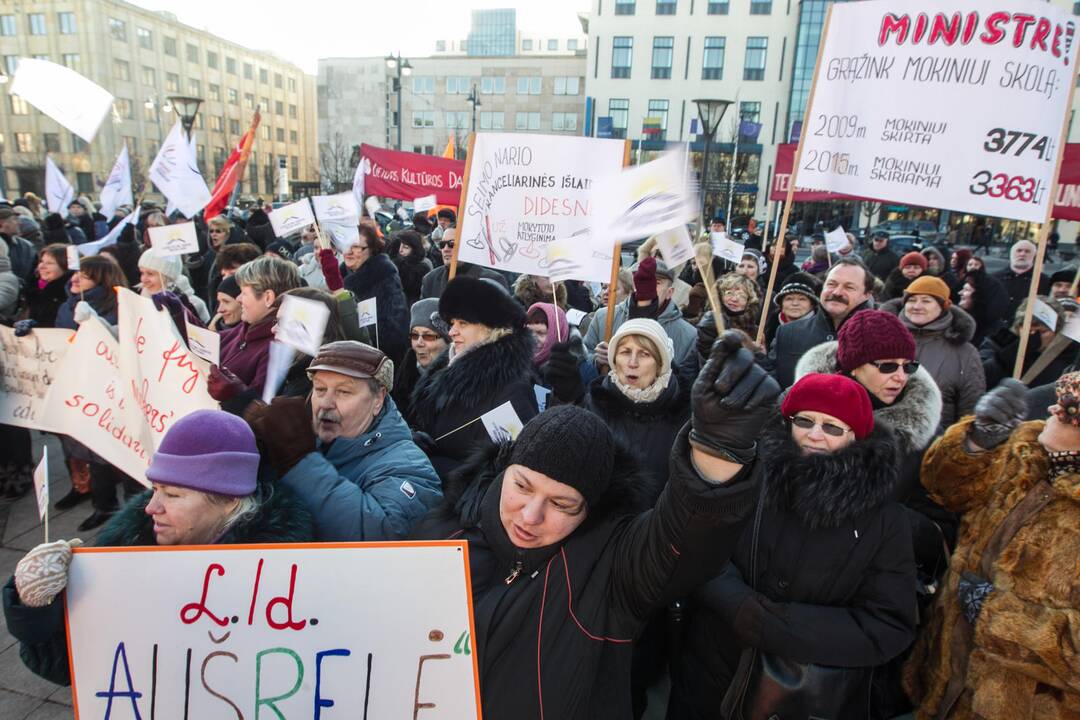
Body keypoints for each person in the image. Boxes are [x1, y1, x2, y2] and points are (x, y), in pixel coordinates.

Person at [408, 334, 776, 719]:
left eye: (562, 504)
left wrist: (718, 450)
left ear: (590, 510)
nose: (530, 516)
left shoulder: (608, 568)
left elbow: (684, 540)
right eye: (522, 486)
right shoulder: (443, 529)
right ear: (504, 468)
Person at [2, 410, 315, 686]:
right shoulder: (126, 547)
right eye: (154, 489)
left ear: (230, 500)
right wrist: (34, 607)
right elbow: (67, 669)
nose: (151, 507)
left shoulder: (286, 576)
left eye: (173, 495)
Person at [669, 373, 916, 720]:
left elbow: (889, 623)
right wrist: (738, 605)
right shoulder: (749, 475)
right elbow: (701, 542)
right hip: (712, 667)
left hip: (800, 696)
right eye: (805, 421)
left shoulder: (885, 520)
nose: (815, 434)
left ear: (856, 436)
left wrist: (780, 626)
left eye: (832, 427)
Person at [903, 376, 1080, 720]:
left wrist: (995, 614)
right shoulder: (1027, 449)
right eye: (1062, 398)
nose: (1053, 408)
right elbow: (943, 489)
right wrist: (977, 443)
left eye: (1072, 410)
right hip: (941, 686)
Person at [245, 341, 442, 541]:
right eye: (320, 389)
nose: (326, 403)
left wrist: (300, 463)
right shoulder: (305, 439)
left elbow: (382, 533)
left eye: (343, 392)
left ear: (378, 399)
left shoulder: (410, 466)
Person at [408, 276, 539, 478]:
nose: (451, 331)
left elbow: (507, 471)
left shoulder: (512, 388)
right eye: (452, 322)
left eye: (463, 323)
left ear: (491, 327)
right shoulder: (447, 366)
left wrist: (436, 464)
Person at [882, 276, 986, 429]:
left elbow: (970, 407)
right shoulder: (881, 338)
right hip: (881, 437)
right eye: (911, 300)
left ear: (943, 306)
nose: (917, 306)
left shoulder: (965, 352)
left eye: (926, 301)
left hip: (934, 441)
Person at [583, 257, 698, 382]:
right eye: (641, 280)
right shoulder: (603, 318)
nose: (648, 287)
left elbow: (686, 384)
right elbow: (582, 360)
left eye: (657, 282)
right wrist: (596, 361)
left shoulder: (689, 335)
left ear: (670, 292)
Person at [765, 258, 874, 388]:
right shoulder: (787, 333)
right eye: (832, 284)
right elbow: (770, 389)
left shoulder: (879, 337)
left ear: (866, 295)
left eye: (849, 287)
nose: (837, 292)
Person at [209, 254, 302, 399]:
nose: (238, 299)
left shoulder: (277, 346)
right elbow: (204, 343)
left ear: (268, 298)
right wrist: (178, 312)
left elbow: (260, 408)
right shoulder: (245, 328)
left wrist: (235, 393)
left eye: (244, 293)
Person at [342, 222, 410, 362]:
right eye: (346, 246)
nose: (348, 252)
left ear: (371, 249)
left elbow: (391, 331)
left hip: (373, 359)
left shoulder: (384, 277)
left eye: (356, 247)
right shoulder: (341, 275)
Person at [980, 297, 1077, 389]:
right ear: (1018, 327)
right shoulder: (998, 343)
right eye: (1029, 330)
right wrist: (1010, 355)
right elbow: (980, 377)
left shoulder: (1064, 358)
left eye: (1042, 332)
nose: (1034, 337)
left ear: (1055, 333)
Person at [391, 298, 449, 410]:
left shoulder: (456, 384)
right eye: (414, 335)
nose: (419, 343)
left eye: (428, 336)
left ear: (447, 340)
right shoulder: (403, 376)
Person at [419, 228, 510, 298]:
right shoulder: (430, 279)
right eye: (442, 244)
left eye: (452, 244)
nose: (445, 249)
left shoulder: (492, 280)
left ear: (467, 245)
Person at [137, 246, 211, 323]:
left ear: (168, 276)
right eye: (142, 273)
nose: (144, 279)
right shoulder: (140, 303)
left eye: (150, 273)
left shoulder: (195, 305)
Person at [763, 271, 821, 349]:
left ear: (812, 304)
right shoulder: (768, 328)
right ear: (781, 304)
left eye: (802, 299)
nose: (795, 303)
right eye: (789, 299)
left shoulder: (823, 329)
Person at [995, 239, 1050, 317]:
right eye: (1019, 250)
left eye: (1027, 251)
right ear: (1011, 254)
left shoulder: (1044, 281)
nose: (1022, 254)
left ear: (1034, 255)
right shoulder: (995, 278)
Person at [958, 267, 1009, 347]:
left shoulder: (999, 332)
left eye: (966, 290)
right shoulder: (957, 322)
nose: (960, 293)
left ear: (980, 296)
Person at [390, 229, 433, 307]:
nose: (400, 250)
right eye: (400, 245)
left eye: (406, 247)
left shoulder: (422, 268)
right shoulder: (394, 264)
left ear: (414, 250)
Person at [0, 206, 35, 283]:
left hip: (24, 293)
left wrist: (41, 289)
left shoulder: (26, 246)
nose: (19, 222)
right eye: (15, 219)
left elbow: (36, 276)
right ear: (2, 223)